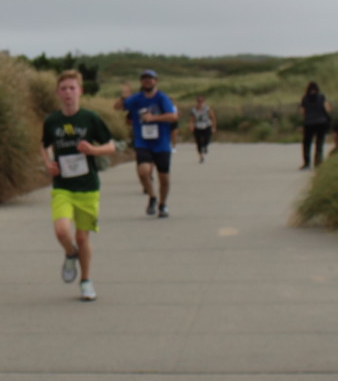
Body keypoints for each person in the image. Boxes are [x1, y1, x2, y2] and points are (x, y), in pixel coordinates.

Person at [41, 69, 117, 301]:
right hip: (62, 186)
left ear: (80, 91)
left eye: (72, 88)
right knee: (61, 230)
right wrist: (48, 163)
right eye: (63, 89)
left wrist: (93, 150)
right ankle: (70, 253)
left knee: (83, 238)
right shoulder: (52, 121)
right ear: (58, 93)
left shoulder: (90, 118)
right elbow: (44, 145)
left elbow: (111, 146)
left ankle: (85, 281)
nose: (68, 93)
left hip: (87, 187)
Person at [114, 69, 178, 217]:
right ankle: (152, 197)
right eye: (144, 79)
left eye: (150, 78)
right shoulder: (136, 98)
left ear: (156, 81)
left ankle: (163, 205)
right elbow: (117, 107)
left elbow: (173, 116)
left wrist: (153, 118)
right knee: (143, 171)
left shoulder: (162, 98)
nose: (147, 81)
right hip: (143, 142)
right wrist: (123, 96)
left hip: (161, 143)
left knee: (164, 178)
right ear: (141, 82)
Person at [299, 81, 330, 168]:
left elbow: (302, 111)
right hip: (321, 122)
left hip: (309, 123)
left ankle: (307, 162)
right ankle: (318, 161)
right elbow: (327, 109)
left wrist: (308, 116)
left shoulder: (305, 98)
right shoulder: (321, 97)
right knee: (319, 142)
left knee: (307, 143)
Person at [188, 95, 216, 161]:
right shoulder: (194, 110)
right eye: (199, 101)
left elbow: (213, 117)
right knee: (198, 142)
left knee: (207, 139)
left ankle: (205, 146)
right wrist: (191, 126)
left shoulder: (207, 109)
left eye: (201, 101)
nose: (200, 103)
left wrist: (213, 127)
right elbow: (192, 119)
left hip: (207, 125)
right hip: (197, 126)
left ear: (204, 102)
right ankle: (201, 156)